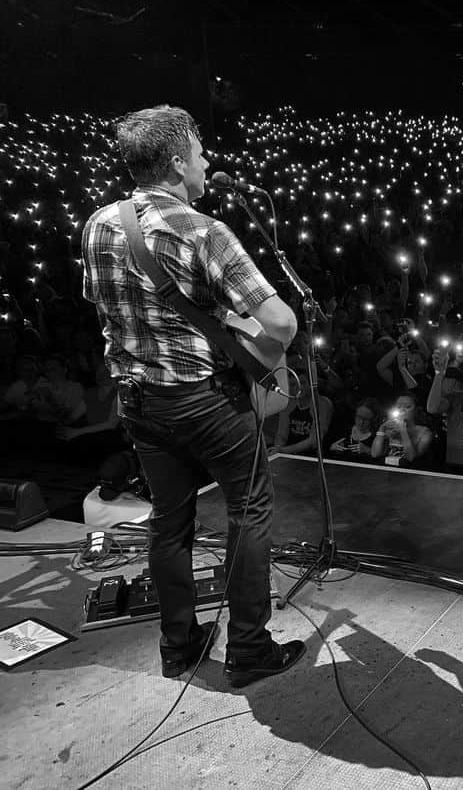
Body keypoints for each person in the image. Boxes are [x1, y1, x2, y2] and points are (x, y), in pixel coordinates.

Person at [81, 105, 304, 687]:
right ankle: (249, 649)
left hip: (139, 402)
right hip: (203, 401)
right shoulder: (204, 231)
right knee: (249, 510)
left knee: (169, 521)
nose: (207, 163)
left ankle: (178, 646)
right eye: (201, 152)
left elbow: (105, 307)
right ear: (178, 160)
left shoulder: (99, 223)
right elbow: (280, 323)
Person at [269, 369, 333, 457]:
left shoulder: (323, 403)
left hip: (314, 457)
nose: (297, 387)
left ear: (310, 384)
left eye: (302, 383)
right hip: (289, 454)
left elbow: (314, 440)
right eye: (292, 384)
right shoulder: (288, 403)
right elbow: (281, 435)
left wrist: (283, 450)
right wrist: (277, 449)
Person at [371, 392, 433, 464]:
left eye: (407, 407)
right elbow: (375, 454)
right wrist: (381, 429)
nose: (402, 410)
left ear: (416, 410)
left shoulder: (424, 433)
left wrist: (403, 431)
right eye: (399, 407)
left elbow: (411, 458)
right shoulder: (389, 429)